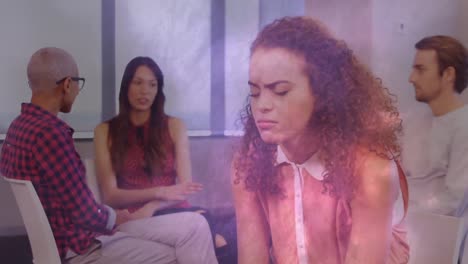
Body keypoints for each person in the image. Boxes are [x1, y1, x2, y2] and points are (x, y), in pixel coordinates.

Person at [0, 47, 217, 264]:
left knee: (196, 227)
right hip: (82, 247)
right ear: (67, 84)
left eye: (152, 84)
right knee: (180, 251)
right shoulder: (52, 134)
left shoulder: (17, 129)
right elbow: (84, 212)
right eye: (77, 83)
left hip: (67, 242)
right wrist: (115, 217)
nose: (77, 90)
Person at [231, 16, 410, 263]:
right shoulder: (248, 163)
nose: (262, 105)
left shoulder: (370, 168)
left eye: (280, 91)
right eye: (255, 92)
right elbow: (252, 258)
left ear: (322, 93)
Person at [93, 56, 233, 262]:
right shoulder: (105, 131)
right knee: (213, 236)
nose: (145, 91)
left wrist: (152, 205)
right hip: (132, 217)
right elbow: (110, 196)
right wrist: (160, 192)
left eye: (152, 85)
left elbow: (185, 188)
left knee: (217, 234)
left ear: (158, 89)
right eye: (138, 82)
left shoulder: (174, 126)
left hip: (172, 211)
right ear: (126, 86)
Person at [406, 35, 468, 216]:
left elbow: (455, 199)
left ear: (448, 74)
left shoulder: (464, 126)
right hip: (402, 225)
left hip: (437, 232)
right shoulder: (414, 122)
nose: (411, 78)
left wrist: (402, 213)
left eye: (421, 70)